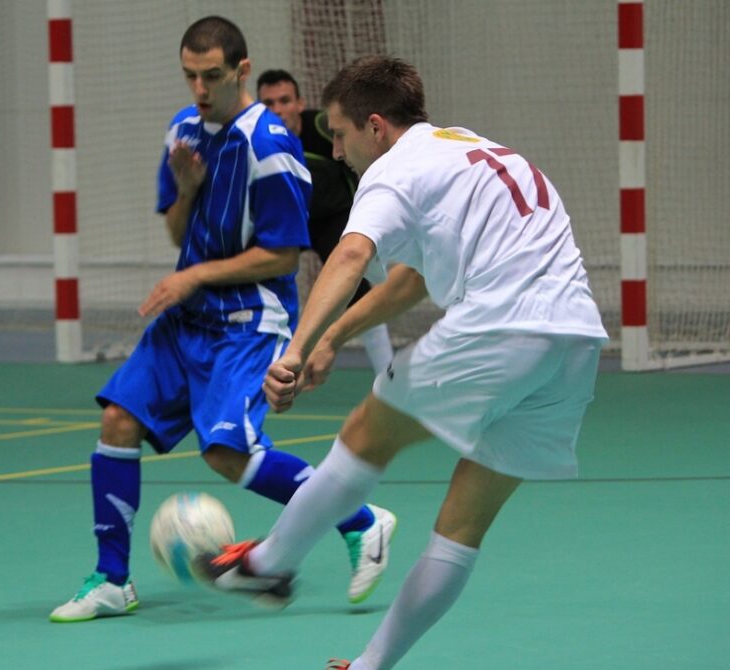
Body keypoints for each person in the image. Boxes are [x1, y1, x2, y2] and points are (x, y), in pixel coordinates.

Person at [199, 55, 608, 669]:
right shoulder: (466, 150)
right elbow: (410, 282)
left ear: (375, 126)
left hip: (502, 324)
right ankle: (369, 666)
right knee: (461, 526)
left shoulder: (393, 170)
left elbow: (348, 255)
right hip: (575, 343)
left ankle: (266, 565)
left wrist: (295, 349)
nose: (335, 152)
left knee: (367, 434)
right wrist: (336, 335)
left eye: (337, 134)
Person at [49, 18, 397, 624]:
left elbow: (283, 255)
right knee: (117, 420)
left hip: (248, 321)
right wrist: (185, 192)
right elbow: (179, 233)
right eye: (189, 75)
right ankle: (111, 580)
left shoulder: (270, 146)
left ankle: (361, 518)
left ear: (241, 71)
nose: (199, 88)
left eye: (211, 75)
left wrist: (191, 277)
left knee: (227, 452)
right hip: (187, 322)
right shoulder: (183, 133)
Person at [256, 69, 394, 375]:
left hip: (334, 217)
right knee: (258, 286)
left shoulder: (322, 126)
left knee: (360, 291)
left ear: (299, 103)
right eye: (269, 103)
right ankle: (265, 369)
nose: (278, 109)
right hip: (288, 223)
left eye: (284, 100)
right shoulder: (254, 140)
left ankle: (388, 374)